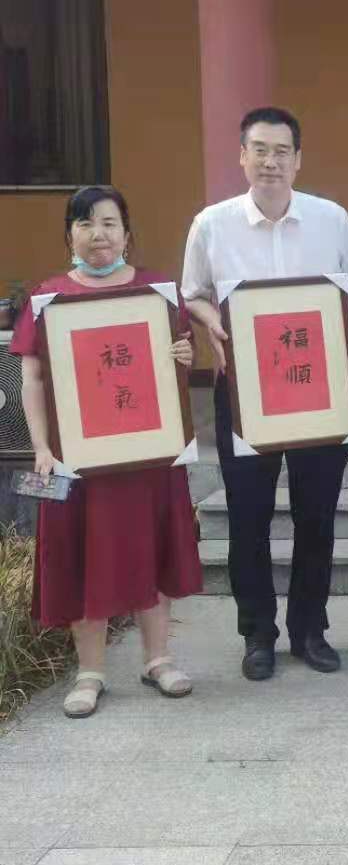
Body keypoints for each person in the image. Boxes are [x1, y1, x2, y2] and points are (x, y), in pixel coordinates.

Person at [181, 106, 348, 682]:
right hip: (245, 396)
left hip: (320, 395)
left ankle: (310, 629)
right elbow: (194, 294)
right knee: (249, 519)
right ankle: (257, 633)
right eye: (259, 149)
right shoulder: (211, 224)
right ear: (242, 156)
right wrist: (214, 323)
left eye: (281, 150)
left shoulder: (330, 218)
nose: (270, 161)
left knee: (316, 517)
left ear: (298, 159)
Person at [15, 186, 203, 717]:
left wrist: (182, 353)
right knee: (82, 558)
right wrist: (42, 447)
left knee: (153, 550)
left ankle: (158, 659)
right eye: (85, 224)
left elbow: (173, 367)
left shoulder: (156, 294)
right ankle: (90, 672)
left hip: (147, 456)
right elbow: (31, 376)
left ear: (127, 232)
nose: (98, 234)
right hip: (77, 463)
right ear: (69, 234)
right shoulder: (49, 297)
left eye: (109, 223)